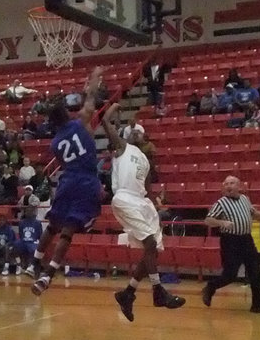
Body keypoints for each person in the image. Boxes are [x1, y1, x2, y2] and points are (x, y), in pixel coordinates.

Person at [102, 102, 186, 321]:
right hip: (125, 197)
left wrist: (154, 205)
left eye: (140, 132)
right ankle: (158, 291)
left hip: (142, 202)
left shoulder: (146, 160)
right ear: (129, 136)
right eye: (135, 132)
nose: (137, 134)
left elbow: (147, 189)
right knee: (149, 243)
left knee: (153, 249)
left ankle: (128, 293)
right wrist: (115, 107)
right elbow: (104, 121)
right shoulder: (121, 147)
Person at [29, 70, 105, 295]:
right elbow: (90, 101)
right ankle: (48, 275)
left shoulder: (55, 143)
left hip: (67, 180)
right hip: (86, 181)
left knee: (53, 225)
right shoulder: (81, 122)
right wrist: (94, 82)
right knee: (68, 232)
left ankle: (34, 262)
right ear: (66, 114)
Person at [201, 176, 260, 314]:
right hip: (230, 241)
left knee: (255, 272)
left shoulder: (245, 199)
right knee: (230, 275)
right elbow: (208, 220)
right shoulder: (221, 203)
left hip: (246, 239)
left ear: (239, 186)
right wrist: (222, 223)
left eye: (232, 183)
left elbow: (253, 213)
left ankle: (258, 306)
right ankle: (211, 286)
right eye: (226, 183)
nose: (229, 186)